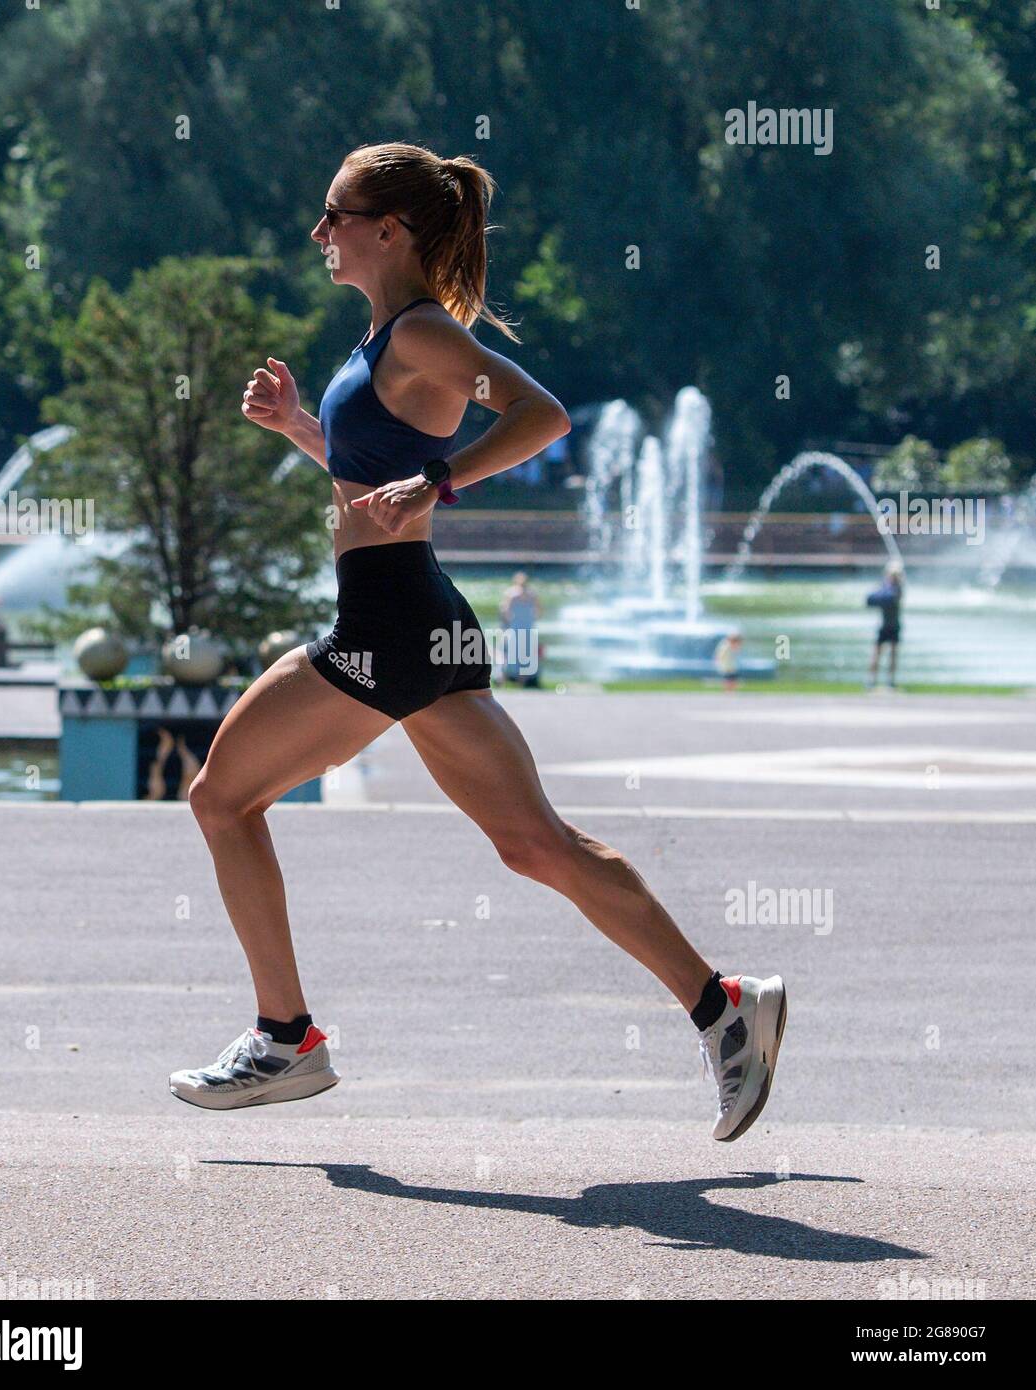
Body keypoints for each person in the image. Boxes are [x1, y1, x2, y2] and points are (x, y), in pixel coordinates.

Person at [169, 142, 786, 1141]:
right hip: (416, 618)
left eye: (335, 215)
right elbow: (374, 474)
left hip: (388, 628)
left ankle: (286, 1036)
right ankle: (725, 1008)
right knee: (534, 843)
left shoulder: (417, 334)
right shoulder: (384, 340)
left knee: (221, 796)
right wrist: (298, 430)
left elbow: (539, 417)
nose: (319, 233)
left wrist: (446, 478)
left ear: (388, 229)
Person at [498, 570, 541, 687]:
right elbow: (538, 612)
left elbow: (504, 610)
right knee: (526, 657)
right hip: (527, 628)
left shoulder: (511, 593)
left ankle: (502, 680)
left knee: (507, 655)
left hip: (515, 628)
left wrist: (505, 625)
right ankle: (522, 683)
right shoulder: (532, 594)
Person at [866, 561, 904, 690]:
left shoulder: (898, 589)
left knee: (893, 654)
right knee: (876, 653)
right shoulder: (885, 586)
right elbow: (870, 599)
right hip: (883, 625)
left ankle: (890, 681)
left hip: (894, 625)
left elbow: (889, 597)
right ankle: (871, 681)